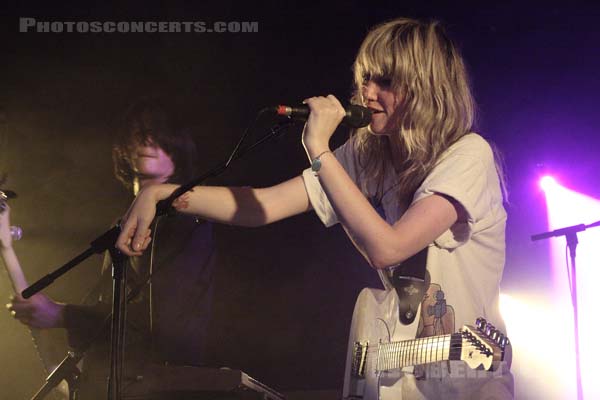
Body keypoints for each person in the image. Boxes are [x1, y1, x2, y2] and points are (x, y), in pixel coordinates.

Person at [117, 18, 513, 399]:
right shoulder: (370, 154)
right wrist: (161, 194)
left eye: (385, 81)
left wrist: (320, 149)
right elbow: (264, 206)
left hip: (469, 379)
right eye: (365, 78)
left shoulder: (468, 156)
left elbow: (389, 248)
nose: (367, 92)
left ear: (425, 87)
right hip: (402, 375)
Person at [7, 98, 217, 399]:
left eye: (158, 134)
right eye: (138, 133)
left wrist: (63, 315)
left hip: (161, 387)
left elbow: (160, 324)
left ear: (179, 146)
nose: (147, 142)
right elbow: (118, 308)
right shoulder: (121, 223)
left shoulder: (185, 222)